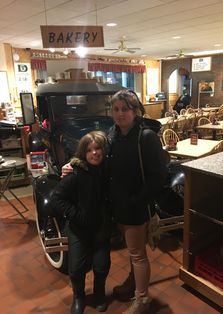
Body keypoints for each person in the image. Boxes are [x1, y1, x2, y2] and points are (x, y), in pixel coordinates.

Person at [62, 89, 167, 314]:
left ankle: (142, 299)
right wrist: (72, 164)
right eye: (116, 109)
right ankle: (133, 283)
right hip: (116, 207)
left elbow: (158, 177)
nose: (120, 114)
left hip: (135, 208)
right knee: (132, 252)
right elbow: (93, 155)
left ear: (135, 110)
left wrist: (136, 201)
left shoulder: (145, 137)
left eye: (125, 109)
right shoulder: (112, 133)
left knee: (138, 254)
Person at [51, 131, 111, 314]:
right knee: (76, 268)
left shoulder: (108, 170)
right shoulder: (76, 173)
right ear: (83, 153)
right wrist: (76, 215)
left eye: (98, 148)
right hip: (79, 229)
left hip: (101, 227)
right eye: (89, 150)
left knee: (102, 266)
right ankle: (79, 297)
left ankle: (99, 293)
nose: (94, 153)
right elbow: (56, 198)